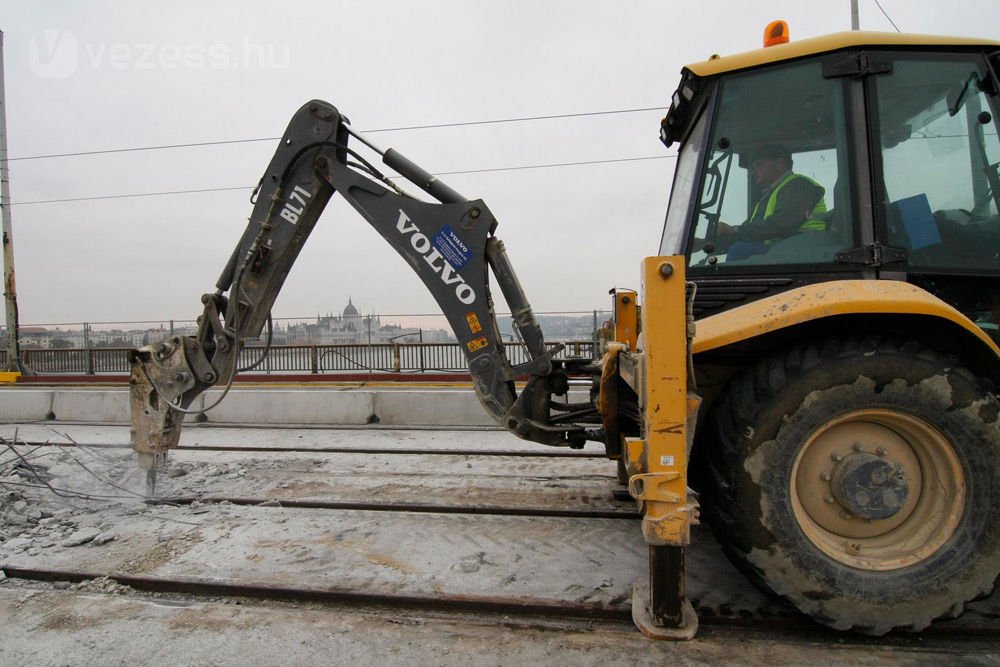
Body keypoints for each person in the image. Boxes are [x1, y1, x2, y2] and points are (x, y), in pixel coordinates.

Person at [718, 144, 828, 260]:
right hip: (782, 249)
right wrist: (707, 244)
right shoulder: (770, 196)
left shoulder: (799, 185)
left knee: (739, 251)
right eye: (752, 167)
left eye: (758, 165)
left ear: (780, 164)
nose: (753, 172)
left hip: (804, 250)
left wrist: (735, 229)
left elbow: (783, 223)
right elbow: (748, 233)